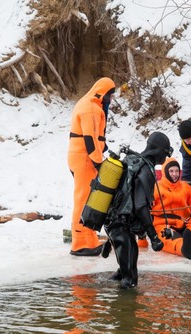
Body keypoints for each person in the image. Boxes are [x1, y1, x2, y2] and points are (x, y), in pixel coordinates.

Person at [103, 131, 172, 289]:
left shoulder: (132, 161)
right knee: (130, 281)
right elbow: (141, 206)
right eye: (166, 153)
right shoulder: (146, 170)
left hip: (114, 224)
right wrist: (153, 236)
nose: (166, 158)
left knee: (124, 271)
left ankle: (101, 293)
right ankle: (119, 309)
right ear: (159, 151)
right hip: (121, 227)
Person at [68, 77, 115, 256]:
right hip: (84, 159)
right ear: (102, 92)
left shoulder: (88, 104)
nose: (110, 99)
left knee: (87, 199)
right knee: (83, 199)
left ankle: (88, 238)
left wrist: (103, 148)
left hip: (80, 156)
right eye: (110, 95)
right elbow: (89, 139)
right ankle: (80, 242)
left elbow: (93, 137)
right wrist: (98, 161)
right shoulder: (91, 108)